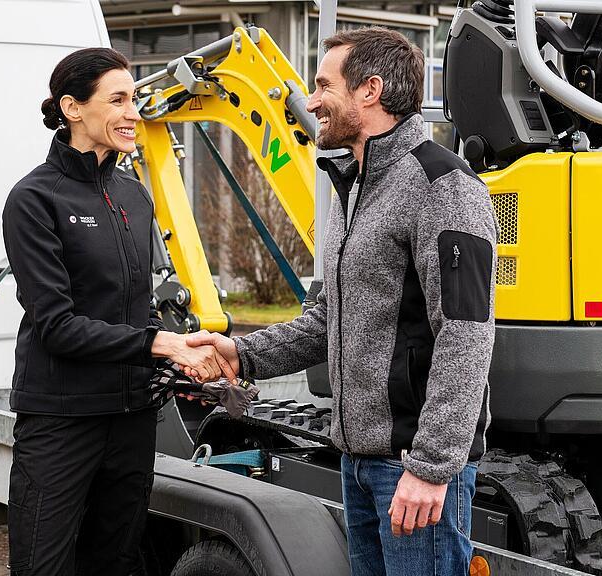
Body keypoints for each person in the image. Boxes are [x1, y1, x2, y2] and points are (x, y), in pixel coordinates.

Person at [186, 27, 497, 576]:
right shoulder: (353, 187)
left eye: (324, 85)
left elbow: (466, 334)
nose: (310, 101)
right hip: (359, 462)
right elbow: (326, 319)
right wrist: (241, 355)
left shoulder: (443, 186)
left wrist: (430, 467)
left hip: (412, 471)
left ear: (370, 90)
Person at [1, 47, 233, 576]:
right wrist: (158, 344)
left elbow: (134, 309)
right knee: (43, 566)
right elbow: (56, 325)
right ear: (73, 108)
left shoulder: (133, 193)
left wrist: (181, 348)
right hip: (61, 421)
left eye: (134, 98)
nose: (134, 112)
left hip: (131, 418)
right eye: (119, 100)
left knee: (117, 564)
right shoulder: (33, 199)